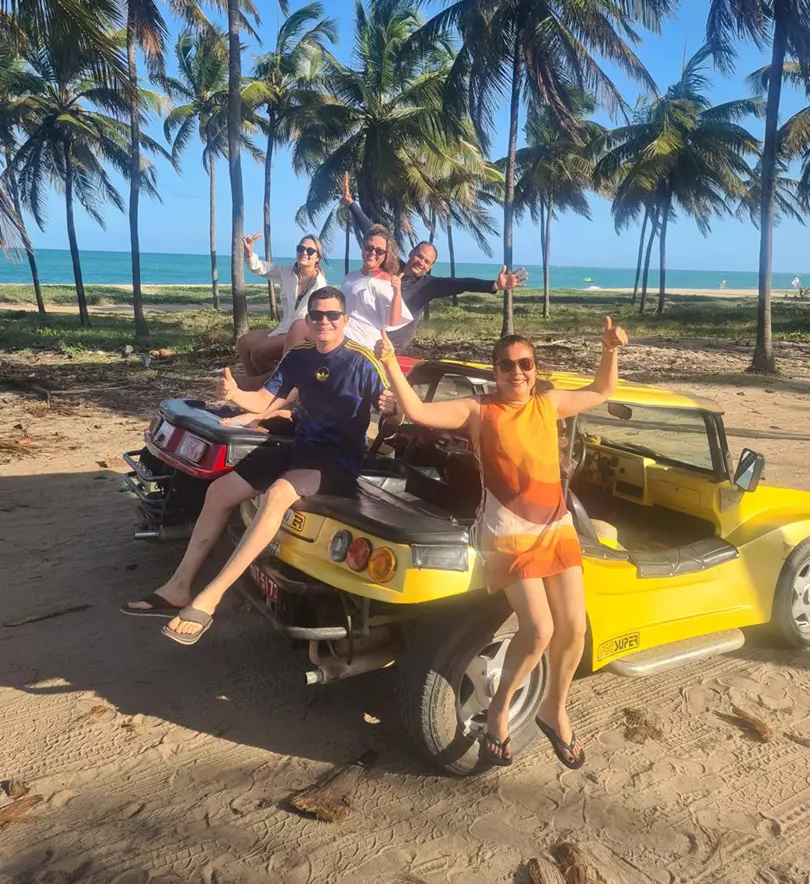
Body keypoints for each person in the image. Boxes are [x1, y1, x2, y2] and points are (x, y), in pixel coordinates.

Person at [377, 316, 628, 769]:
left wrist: (610, 350)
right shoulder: (479, 410)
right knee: (539, 630)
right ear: (494, 371)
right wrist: (392, 362)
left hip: (556, 527)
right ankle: (499, 710)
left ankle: (554, 708)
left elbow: (600, 392)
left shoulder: (547, 405)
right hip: (508, 533)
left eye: (525, 364)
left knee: (574, 627)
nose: (518, 373)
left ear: (535, 367)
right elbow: (417, 411)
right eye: (507, 365)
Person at [120, 286, 389, 643]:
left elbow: (391, 409)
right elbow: (263, 398)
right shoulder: (300, 357)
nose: (324, 321)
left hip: (338, 460)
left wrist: (391, 406)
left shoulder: (362, 361)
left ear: (345, 320)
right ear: (308, 320)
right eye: (317, 315)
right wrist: (235, 396)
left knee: (277, 494)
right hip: (301, 445)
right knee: (219, 491)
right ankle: (179, 587)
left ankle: (211, 596)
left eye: (332, 315)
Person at [342, 173, 528, 349]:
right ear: (410, 253)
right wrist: (351, 204)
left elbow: (461, 284)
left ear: (430, 267)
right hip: (368, 334)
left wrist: (494, 284)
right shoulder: (392, 265)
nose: (421, 263)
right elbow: (374, 234)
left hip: (392, 345)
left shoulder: (428, 286)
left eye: (427, 262)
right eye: (419, 256)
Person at [236, 232, 327, 382]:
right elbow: (262, 268)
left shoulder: (320, 285)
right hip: (283, 328)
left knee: (258, 353)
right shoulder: (287, 273)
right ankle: (259, 386)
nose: (304, 252)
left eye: (310, 251)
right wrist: (249, 253)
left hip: (302, 335)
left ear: (318, 258)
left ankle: (274, 387)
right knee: (244, 343)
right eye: (300, 248)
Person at [341, 222, 413, 350]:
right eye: (369, 247)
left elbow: (392, 320)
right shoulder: (351, 276)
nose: (373, 253)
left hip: (364, 346)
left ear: (385, 256)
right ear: (363, 248)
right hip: (342, 339)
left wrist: (397, 292)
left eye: (379, 251)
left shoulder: (385, 282)